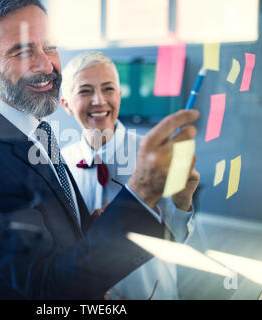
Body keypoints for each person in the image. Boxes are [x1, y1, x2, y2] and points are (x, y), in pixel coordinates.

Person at [0, 0, 200, 299]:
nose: (46, 65)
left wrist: (95, 230)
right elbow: (48, 288)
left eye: (50, 47)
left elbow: (61, 239)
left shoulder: (40, 132)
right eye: (22, 51)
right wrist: (140, 192)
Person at [60, 51, 199, 299]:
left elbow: (176, 240)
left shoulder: (155, 155)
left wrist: (182, 203)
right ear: (66, 105)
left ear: (120, 96)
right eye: (85, 91)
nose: (99, 100)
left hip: (151, 290)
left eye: (108, 89)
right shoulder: (59, 165)